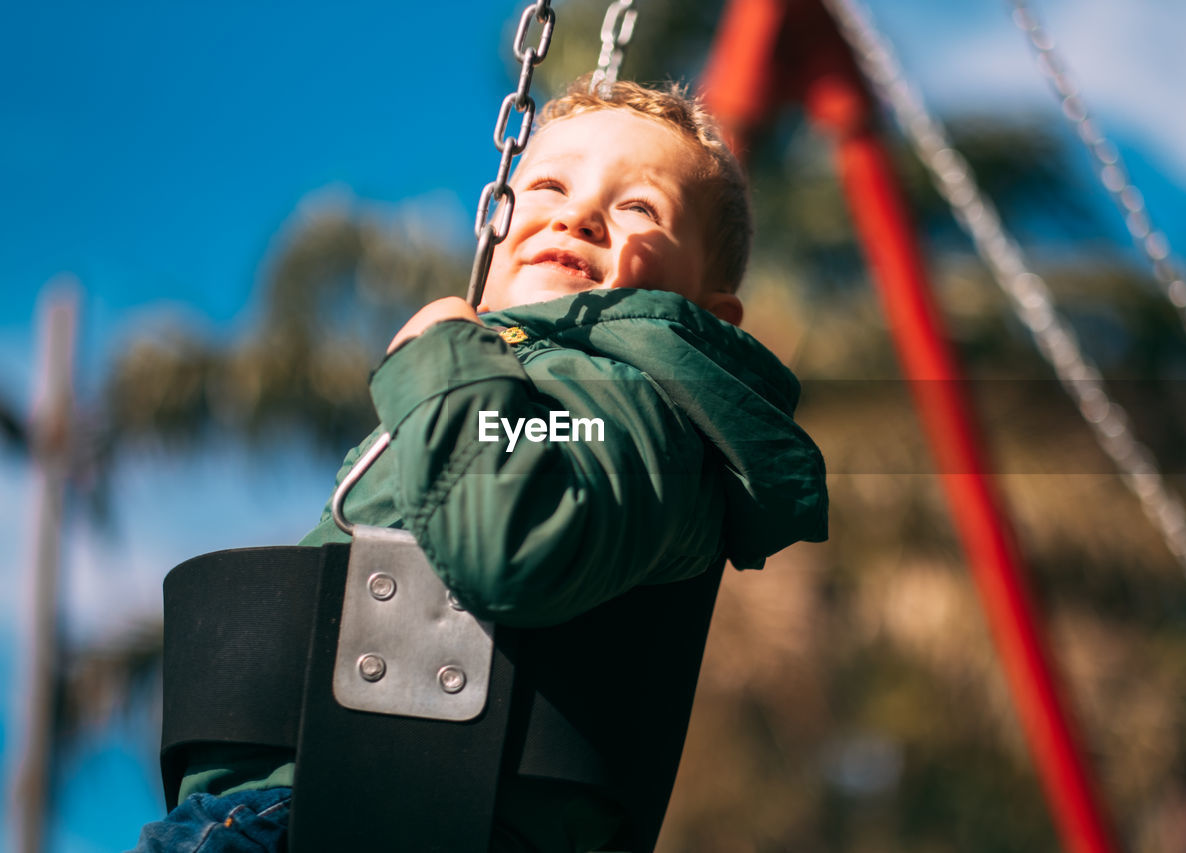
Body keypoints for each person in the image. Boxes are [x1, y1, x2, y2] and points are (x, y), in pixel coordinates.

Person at [133, 77, 827, 852]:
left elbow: (509, 539)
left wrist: (439, 354)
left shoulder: (640, 401)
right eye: (548, 185)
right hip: (293, 800)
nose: (577, 212)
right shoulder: (510, 380)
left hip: (357, 812)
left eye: (638, 208)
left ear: (710, 312)